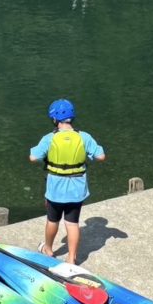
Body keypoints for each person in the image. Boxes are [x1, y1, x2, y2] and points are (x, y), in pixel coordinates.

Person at [29, 98, 105, 265]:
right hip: (77, 190)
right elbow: (101, 156)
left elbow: (33, 157)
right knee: (72, 223)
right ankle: (71, 259)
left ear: (54, 119)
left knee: (52, 220)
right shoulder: (84, 137)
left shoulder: (49, 138)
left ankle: (48, 250)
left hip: (55, 189)